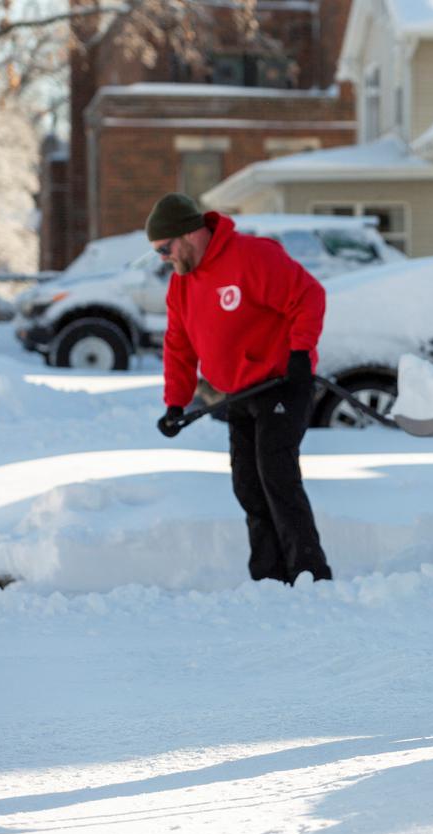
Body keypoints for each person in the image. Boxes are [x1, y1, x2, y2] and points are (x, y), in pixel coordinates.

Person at [147, 192, 333, 585]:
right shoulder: (181, 285)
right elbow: (178, 345)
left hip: (282, 384)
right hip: (240, 393)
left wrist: (301, 352)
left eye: (165, 248)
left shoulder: (251, 257)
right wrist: (175, 403)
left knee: (276, 475)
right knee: (247, 485)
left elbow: (308, 296)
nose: (163, 258)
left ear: (188, 234)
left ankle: (310, 574)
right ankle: (268, 577)